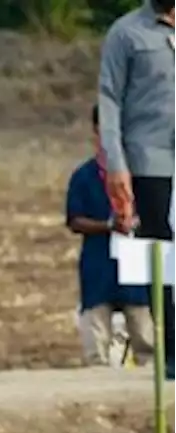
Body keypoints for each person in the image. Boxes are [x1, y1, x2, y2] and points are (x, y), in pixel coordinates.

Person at [98, 0, 176, 376]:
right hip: (150, 160)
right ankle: (173, 349)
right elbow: (109, 100)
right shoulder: (126, 32)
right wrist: (116, 163)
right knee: (163, 256)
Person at [67, 105, 154, 367]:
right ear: (96, 131)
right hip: (99, 262)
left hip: (136, 263)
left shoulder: (143, 175)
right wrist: (108, 226)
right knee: (97, 338)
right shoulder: (84, 177)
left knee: (145, 335)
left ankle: (144, 391)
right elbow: (74, 220)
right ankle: (99, 388)